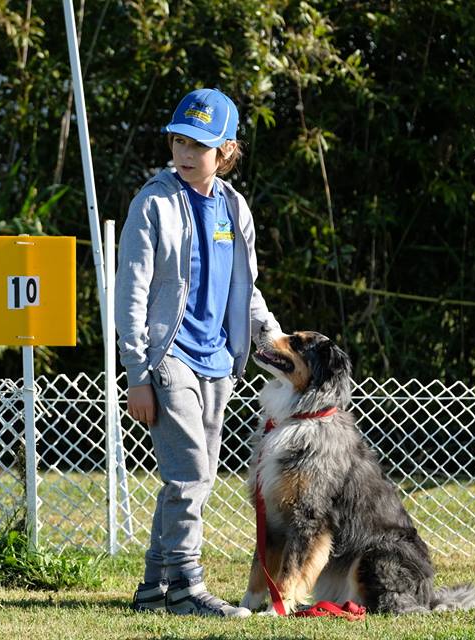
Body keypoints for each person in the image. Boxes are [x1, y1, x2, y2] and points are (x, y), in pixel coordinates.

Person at [116, 88, 280, 617]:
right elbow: (131, 291)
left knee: (190, 477)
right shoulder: (154, 201)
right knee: (191, 475)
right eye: (179, 139)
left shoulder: (234, 207)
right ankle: (188, 586)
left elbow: (245, 287)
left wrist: (269, 339)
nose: (186, 152)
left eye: (199, 145)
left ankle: (152, 587)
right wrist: (136, 374)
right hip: (167, 359)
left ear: (225, 151)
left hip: (219, 362)